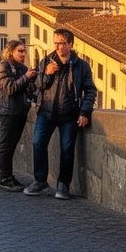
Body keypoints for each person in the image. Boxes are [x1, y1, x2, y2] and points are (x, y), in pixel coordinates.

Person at [25, 28, 97, 200]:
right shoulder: (46, 62)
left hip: (69, 114)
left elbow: (91, 91)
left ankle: (63, 184)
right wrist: (47, 74)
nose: (57, 47)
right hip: (46, 111)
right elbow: (38, 85)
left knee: (67, 149)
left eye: (61, 43)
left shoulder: (81, 66)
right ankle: (40, 181)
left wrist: (85, 111)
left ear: (70, 44)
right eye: (55, 43)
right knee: (38, 143)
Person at [0, 40, 37, 191]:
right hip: (8, 111)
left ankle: (9, 176)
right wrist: (26, 77)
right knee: (5, 145)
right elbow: (10, 89)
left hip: (20, 111)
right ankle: (4, 178)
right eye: (20, 51)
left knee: (11, 146)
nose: (23, 54)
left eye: (24, 51)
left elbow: (27, 90)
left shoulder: (23, 68)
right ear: (11, 52)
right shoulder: (3, 66)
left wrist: (31, 84)